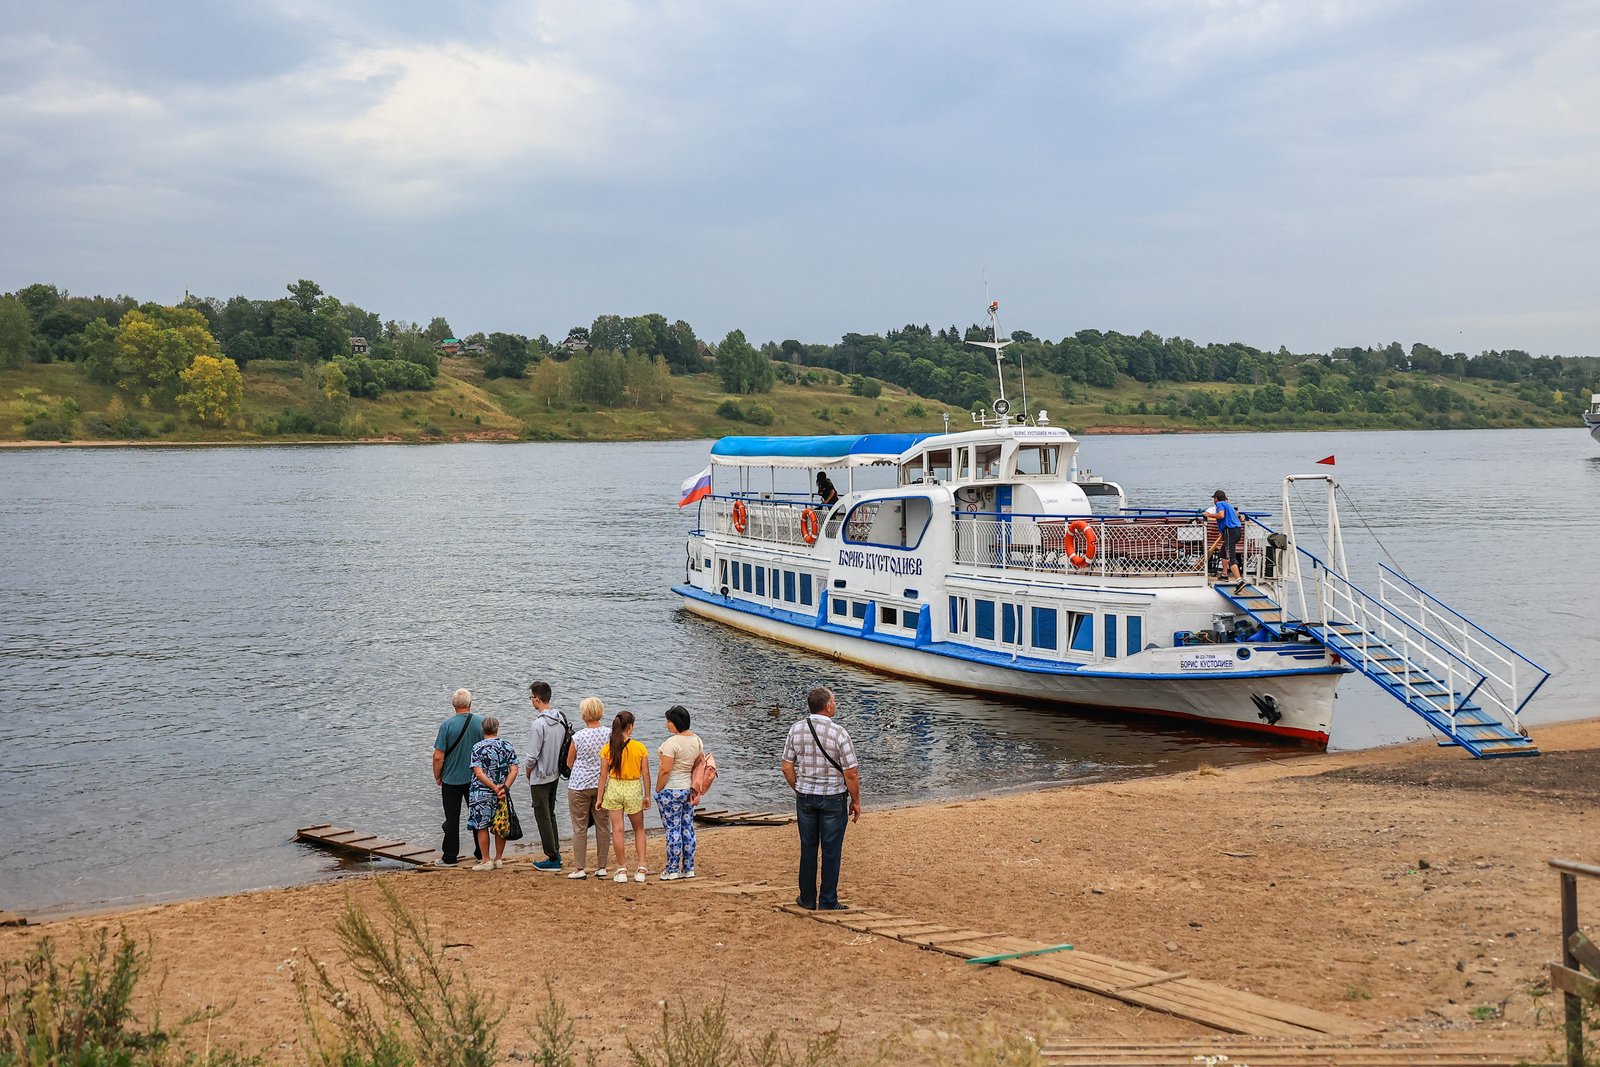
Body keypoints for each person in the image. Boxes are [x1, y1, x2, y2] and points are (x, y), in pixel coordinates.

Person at [781, 687, 861, 911]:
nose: (835, 705)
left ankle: (806, 898)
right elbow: (851, 772)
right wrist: (855, 801)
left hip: (806, 797)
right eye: (834, 701)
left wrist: (798, 787)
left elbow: (787, 767)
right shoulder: (839, 733)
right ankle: (827, 900)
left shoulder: (796, 730)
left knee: (808, 848)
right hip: (833, 798)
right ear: (827, 706)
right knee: (831, 850)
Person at [432, 688, 485, 867]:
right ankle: (481, 853)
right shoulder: (481, 722)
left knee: (452, 819)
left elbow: (439, 756)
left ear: (453, 705)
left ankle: (450, 856)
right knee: (477, 816)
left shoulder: (446, 725)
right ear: (470, 703)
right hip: (477, 778)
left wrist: (437, 775)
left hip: (452, 779)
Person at [597, 710, 651, 883]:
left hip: (614, 788)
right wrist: (647, 795)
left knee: (618, 830)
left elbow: (602, 776)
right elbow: (646, 773)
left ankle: (621, 869)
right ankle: (641, 867)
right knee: (639, 828)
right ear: (630, 727)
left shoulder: (607, 749)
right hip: (633, 788)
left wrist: (599, 798)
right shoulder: (639, 748)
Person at [564, 696, 614, 880]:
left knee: (579, 827)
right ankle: (602, 866)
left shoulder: (578, 737)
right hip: (603, 785)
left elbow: (570, 762)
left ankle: (580, 867)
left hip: (580, 785)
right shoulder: (609, 734)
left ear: (584, 714)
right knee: (603, 826)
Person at [653, 705, 703, 881]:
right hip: (688, 788)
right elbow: (698, 763)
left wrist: (658, 788)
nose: (667, 724)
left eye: (669, 721)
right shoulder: (697, 740)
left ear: (676, 723)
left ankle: (672, 868)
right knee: (687, 828)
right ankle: (689, 867)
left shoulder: (672, 743)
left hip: (672, 788)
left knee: (672, 829)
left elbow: (665, 770)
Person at [522, 680, 568, 872]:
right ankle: (555, 851)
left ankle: (552, 857)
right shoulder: (561, 719)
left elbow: (532, 755)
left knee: (542, 815)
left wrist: (527, 771)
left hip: (540, 775)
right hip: (555, 772)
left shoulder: (538, 724)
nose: (531, 701)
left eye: (532, 697)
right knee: (551, 813)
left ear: (538, 699)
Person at [467, 716, 519, 870]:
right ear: (497, 728)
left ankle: (485, 860)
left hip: (481, 792)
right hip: (502, 793)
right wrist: (504, 787)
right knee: (500, 824)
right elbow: (514, 769)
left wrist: (492, 787)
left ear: (483, 729)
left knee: (481, 826)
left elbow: (479, 773)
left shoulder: (477, 748)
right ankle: (498, 858)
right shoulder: (506, 746)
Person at [1204, 489, 1245, 585]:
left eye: (1214, 498)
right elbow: (1232, 518)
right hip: (1236, 530)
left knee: (1231, 556)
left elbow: (1221, 515)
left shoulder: (1220, 504)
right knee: (1223, 552)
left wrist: (1209, 514)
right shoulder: (1229, 506)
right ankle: (1224, 574)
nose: (1213, 500)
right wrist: (1223, 531)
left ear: (1216, 498)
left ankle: (1239, 580)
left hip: (1230, 531)